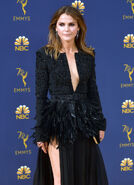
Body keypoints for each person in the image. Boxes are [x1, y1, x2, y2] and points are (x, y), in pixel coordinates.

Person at [31, 5, 109, 185]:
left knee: (83, 177)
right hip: (57, 122)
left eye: (71, 24)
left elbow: (92, 91)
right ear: (55, 27)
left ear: (79, 28)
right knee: (60, 178)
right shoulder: (45, 55)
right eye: (62, 24)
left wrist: (99, 123)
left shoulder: (88, 56)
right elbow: (40, 96)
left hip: (84, 121)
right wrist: (41, 133)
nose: (67, 29)